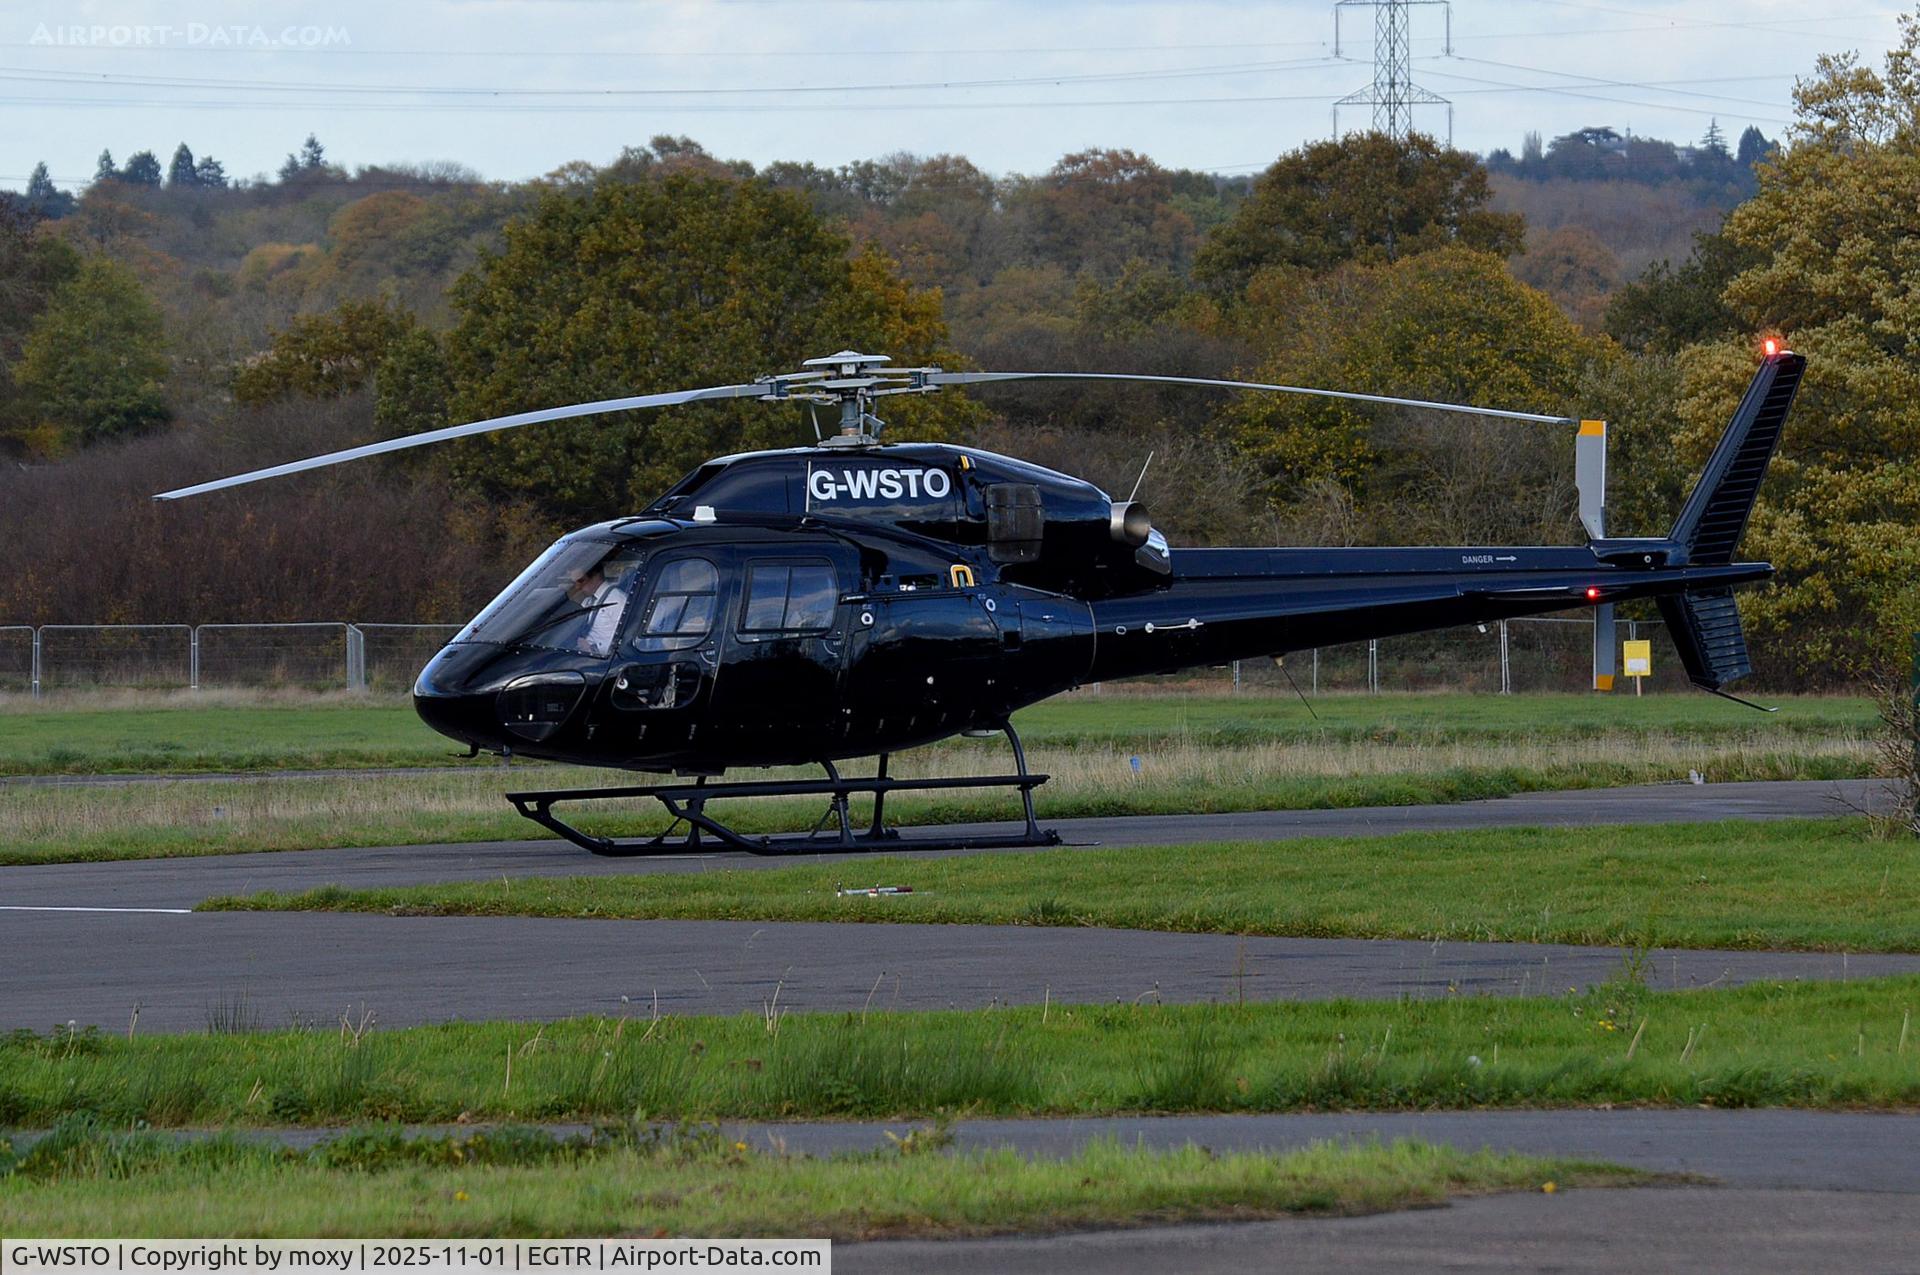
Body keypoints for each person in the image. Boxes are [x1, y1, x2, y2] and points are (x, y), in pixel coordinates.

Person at [565, 564, 628, 656]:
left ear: (595, 576)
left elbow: (627, 637)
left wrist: (593, 649)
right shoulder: (588, 601)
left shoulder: (617, 600)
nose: (578, 587)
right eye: (575, 583)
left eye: (581, 581)